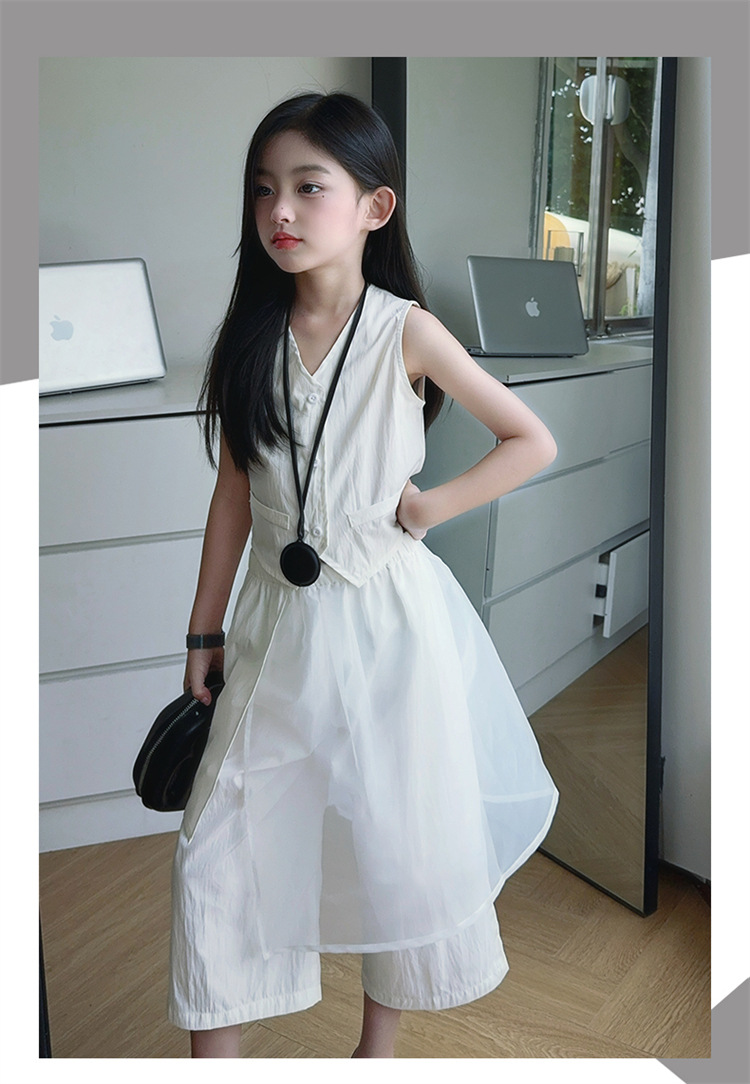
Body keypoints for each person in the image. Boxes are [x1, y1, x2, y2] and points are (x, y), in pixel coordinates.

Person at [168, 90, 559, 1059]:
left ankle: (373, 1051)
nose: (280, 211)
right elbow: (232, 496)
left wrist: (428, 508)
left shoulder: (406, 331)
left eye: (309, 187)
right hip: (272, 631)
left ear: (374, 207)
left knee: (394, 839)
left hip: (388, 626)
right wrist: (204, 628)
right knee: (215, 848)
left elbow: (530, 439)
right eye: (264, 190)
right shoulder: (251, 337)